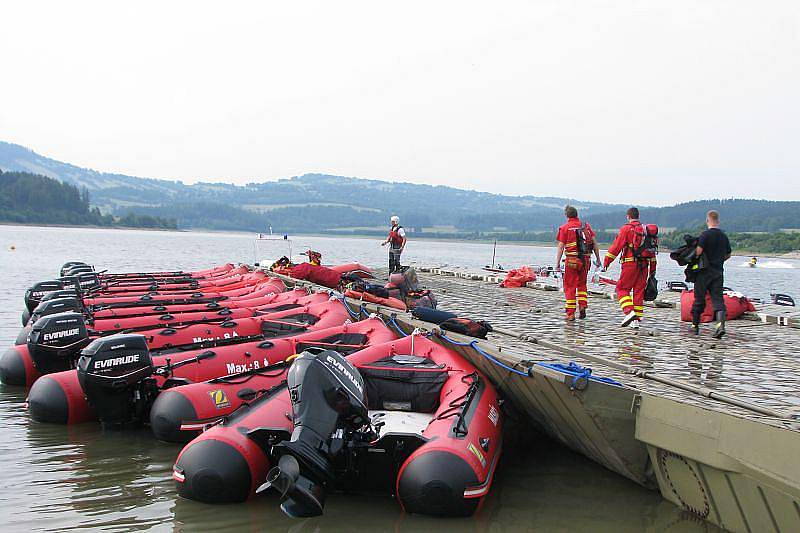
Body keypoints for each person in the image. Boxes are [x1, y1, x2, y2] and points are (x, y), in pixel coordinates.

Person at [603, 207, 657, 328]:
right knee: (638, 292)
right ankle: (636, 321)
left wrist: (607, 261)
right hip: (644, 265)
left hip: (630, 264)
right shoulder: (646, 231)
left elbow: (616, 247)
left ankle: (629, 311)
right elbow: (652, 252)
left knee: (621, 289)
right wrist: (652, 270)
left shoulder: (626, 229)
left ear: (628, 217)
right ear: (638, 216)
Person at [555, 205, 601, 321]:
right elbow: (594, 244)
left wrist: (557, 263)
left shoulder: (564, 228)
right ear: (577, 215)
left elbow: (561, 247)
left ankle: (570, 314)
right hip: (586, 260)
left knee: (570, 286)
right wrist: (598, 259)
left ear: (566, 216)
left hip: (571, 260)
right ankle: (582, 306)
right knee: (582, 284)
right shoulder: (586, 226)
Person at [691, 210, 732, 338]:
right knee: (718, 300)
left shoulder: (705, 235)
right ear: (718, 221)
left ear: (707, 221)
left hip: (703, 272)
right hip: (718, 272)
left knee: (699, 299)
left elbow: (698, 252)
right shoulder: (723, 236)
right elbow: (728, 254)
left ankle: (695, 326)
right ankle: (720, 325)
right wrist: (719, 260)